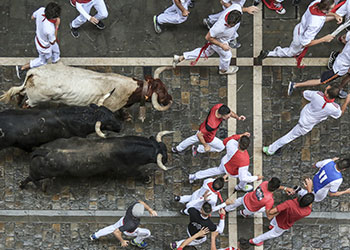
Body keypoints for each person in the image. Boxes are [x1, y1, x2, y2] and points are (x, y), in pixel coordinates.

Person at [263, 86, 350, 156]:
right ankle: (270, 150)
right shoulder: (334, 108)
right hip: (306, 125)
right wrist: (346, 102)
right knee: (289, 137)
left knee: (290, 135)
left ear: (327, 94)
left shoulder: (317, 95)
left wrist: (325, 90)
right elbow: (340, 113)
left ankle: (272, 149)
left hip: (304, 117)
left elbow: (305, 93)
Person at [258, 0, 341, 68]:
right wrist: (324, 39)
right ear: (325, 9)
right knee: (290, 53)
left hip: (299, 28)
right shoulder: (316, 23)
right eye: (332, 9)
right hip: (300, 38)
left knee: (296, 50)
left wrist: (335, 14)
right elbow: (306, 43)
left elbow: (324, 13)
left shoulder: (316, 3)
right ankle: (270, 53)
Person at [172, 7, 242, 74]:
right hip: (219, 41)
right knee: (227, 56)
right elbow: (208, 37)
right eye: (228, 24)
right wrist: (222, 45)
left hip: (224, 38)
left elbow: (237, 7)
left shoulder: (236, 7)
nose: (228, 26)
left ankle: (181, 57)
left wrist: (247, 9)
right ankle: (223, 70)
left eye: (231, 25)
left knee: (206, 52)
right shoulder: (219, 27)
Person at [249, 178, 314, 246]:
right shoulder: (307, 212)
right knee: (273, 234)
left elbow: (272, 212)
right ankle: (255, 241)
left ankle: (271, 226)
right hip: (284, 224)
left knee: (273, 226)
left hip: (279, 216)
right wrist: (309, 190)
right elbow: (309, 205)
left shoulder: (290, 203)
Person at [189, 132, 262, 192]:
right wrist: (256, 177)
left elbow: (227, 140)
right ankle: (240, 187)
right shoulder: (245, 160)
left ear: (239, 142)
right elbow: (243, 178)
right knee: (247, 175)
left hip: (224, 163)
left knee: (214, 171)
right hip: (233, 172)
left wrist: (241, 135)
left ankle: (194, 176)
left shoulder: (231, 143)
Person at [288, 31, 350, 98]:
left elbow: (344, 38)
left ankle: (340, 88)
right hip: (339, 68)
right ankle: (295, 84)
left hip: (342, 57)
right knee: (321, 81)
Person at [172, 104, 246, 156]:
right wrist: (205, 145)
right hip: (208, 137)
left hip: (203, 127)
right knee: (221, 147)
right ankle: (198, 148)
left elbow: (230, 112)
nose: (229, 117)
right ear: (221, 115)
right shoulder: (212, 124)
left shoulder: (219, 106)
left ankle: (177, 149)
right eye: (228, 116)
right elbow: (200, 135)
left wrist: (238, 117)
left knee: (193, 139)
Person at [16, 2, 61, 79]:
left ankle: (55, 61)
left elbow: (32, 17)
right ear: (53, 18)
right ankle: (22, 68)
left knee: (56, 50)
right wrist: (57, 26)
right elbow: (52, 41)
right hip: (44, 46)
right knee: (42, 61)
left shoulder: (41, 10)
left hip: (39, 38)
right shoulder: (49, 29)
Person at [90, 200, 157, 248]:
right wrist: (122, 241)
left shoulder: (132, 208)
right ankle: (136, 241)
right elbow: (116, 232)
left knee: (112, 227)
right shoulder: (131, 224)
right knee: (147, 233)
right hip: (129, 231)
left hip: (122, 221)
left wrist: (150, 210)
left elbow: (140, 202)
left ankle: (95, 235)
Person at [225, 177, 295, 218]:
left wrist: (285, 188)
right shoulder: (270, 200)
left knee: (237, 201)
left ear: (269, 180)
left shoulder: (264, 183)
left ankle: (227, 209)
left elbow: (274, 185)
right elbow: (268, 213)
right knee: (262, 209)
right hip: (251, 208)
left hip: (246, 198)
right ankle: (242, 213)